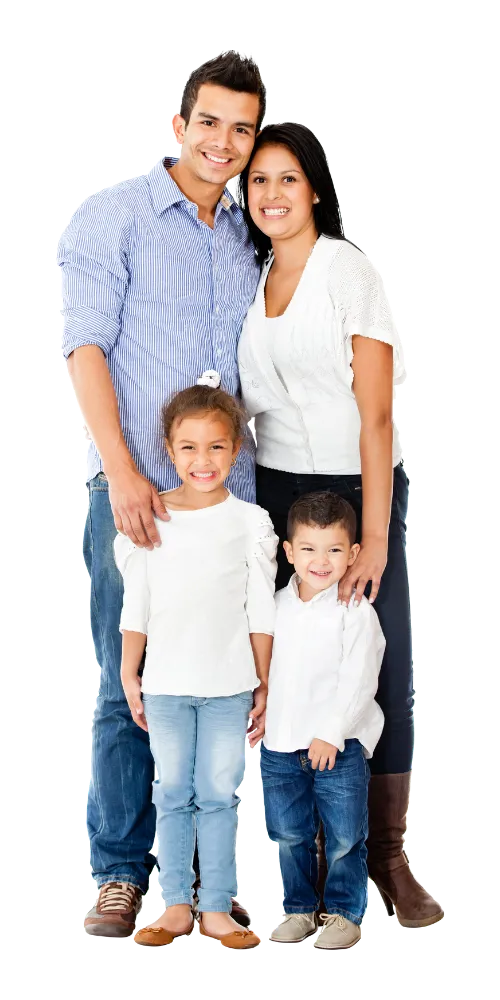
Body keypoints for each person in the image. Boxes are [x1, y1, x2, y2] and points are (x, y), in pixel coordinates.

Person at [56, 50, 267, 937]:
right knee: (128, 681)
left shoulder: (254, 229)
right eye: (209, 122)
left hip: (237, 507)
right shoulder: (114, 218)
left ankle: (209, 887)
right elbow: (86, 348)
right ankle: (117, 872)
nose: (223, 143)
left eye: (242, 129)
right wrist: (126, 472)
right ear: (179, 126)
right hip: (140, 497)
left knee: (229, 687)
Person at [237, 122, 443, 927]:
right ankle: (306, 868)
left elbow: (375, 415)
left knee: (375, 664)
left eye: (288, 180)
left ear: (315, 188)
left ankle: (387, 858)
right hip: (276, 491)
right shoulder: (255, 280)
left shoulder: (347, 271)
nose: (272, 196)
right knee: (294, 664)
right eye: (258, 182)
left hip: (356, 489)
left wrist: (376, 538)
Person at [115, 375, 277, 949]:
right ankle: (174, 906)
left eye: (216, 447)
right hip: (165, 686)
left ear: (236, 450)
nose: (202, 460)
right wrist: (129, 676)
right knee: (172, 792)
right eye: (189, 447)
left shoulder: (250, 523)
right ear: (168, 448)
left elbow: (261, 611)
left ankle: (216, 910)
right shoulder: (150, 521)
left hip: (230, 685)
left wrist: (263, 685)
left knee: (217, 792)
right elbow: (137, 607)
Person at [261, 492, 385, 948]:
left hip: (339, 746)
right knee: (289, 835)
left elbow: (360, 679)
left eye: (334, 549)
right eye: (308, 549)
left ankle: (344, 913)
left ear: (352, 553)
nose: (321, 560)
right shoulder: (273, 607)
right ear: (289, 551)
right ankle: (298, 909)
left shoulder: (355, 612)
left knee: (344, 837)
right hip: (278, 746)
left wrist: (331, 733)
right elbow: (260, 668)